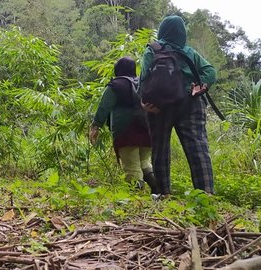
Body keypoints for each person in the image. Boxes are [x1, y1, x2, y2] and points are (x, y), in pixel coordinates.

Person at [139, 15, 217, 196]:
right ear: (182, 32)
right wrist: (200, 85)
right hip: (191, 103)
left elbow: (143, 79)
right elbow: (211, 72)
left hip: (159, 106)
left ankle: (163, 194)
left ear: (162, 30)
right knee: (197, 147)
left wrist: (144, 102)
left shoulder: (153, 50)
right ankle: (206, 194)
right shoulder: (189, 52)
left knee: (160, 149)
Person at [89, 57, 156, 191]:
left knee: (132, 167)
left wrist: (95, 126)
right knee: (144, 163)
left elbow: (104, 107)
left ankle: (138, 200)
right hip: (147, 129)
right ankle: (160, 190)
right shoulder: (143, 83)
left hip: (126, 131)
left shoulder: (116, 85)